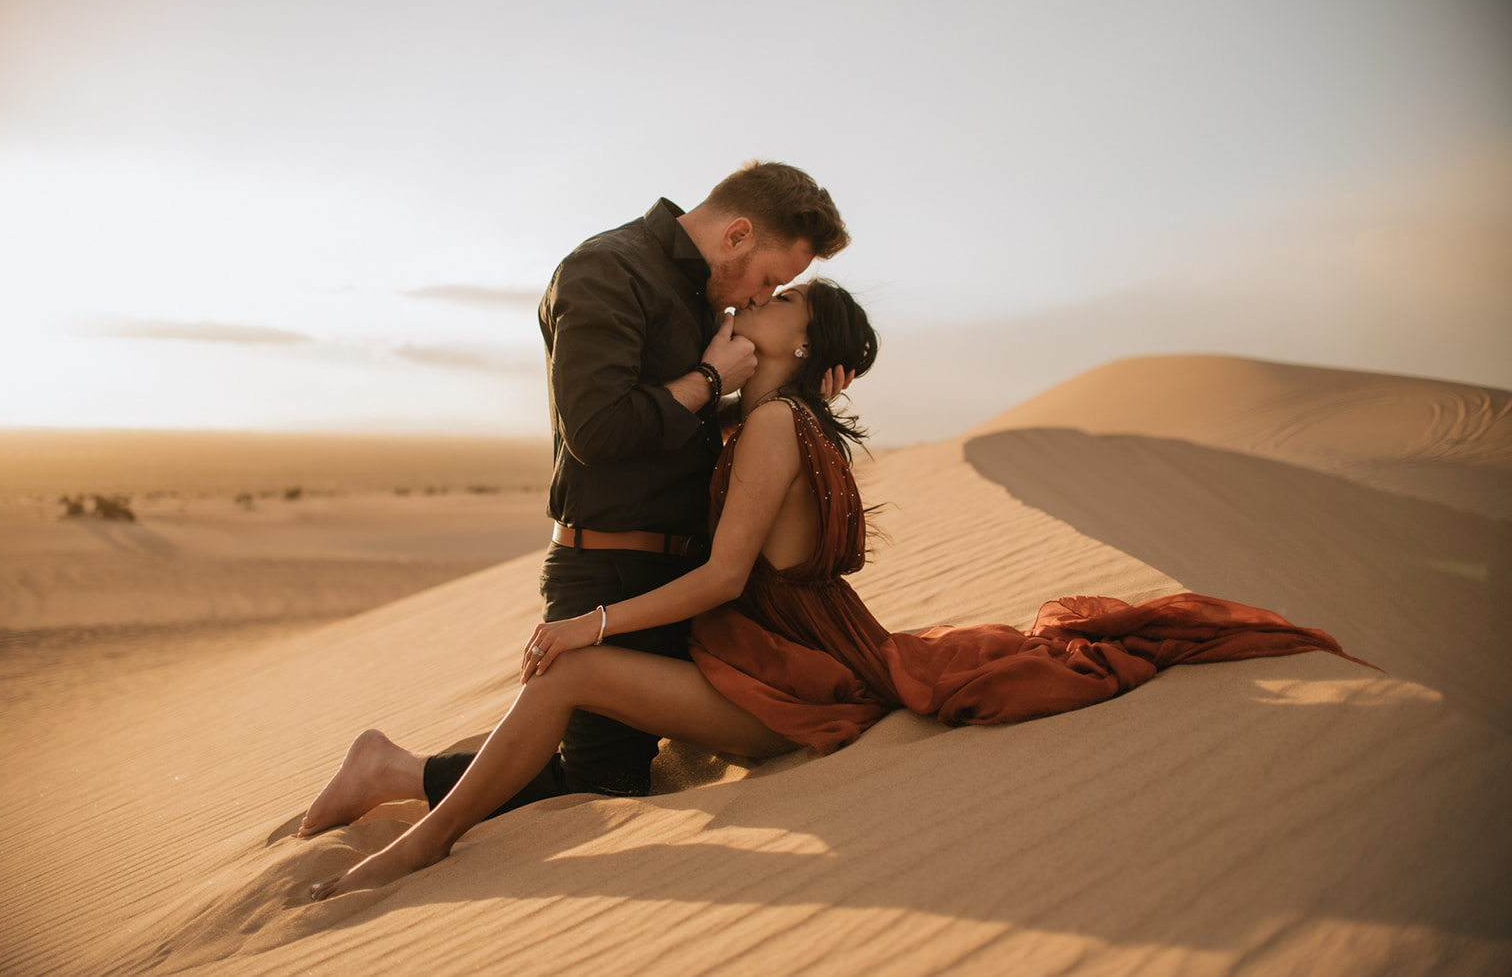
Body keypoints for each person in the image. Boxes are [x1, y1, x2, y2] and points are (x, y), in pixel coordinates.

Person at [300, 279, 1359, 900]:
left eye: (775, 303)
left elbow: (722, 574)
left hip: (795, 687)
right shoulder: (761, 416)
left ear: (805, 350)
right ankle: (397, 776)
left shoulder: (771, 424)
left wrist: (592, 617)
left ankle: (420, 842)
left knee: (567, 678)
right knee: (585, 735)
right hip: (766, 662)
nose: (753, 303)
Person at [407, 161, 851, 814]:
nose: (761, 298)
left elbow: (678, 434)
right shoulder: (606, 271)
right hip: (609, 568)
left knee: (624, 751)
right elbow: (598, 429)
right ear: (736, 235)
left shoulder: (706, 294)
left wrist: (792, 401)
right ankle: (393, 772)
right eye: (768, 280)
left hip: (678, 586)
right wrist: (707, 376)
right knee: (601, 784)